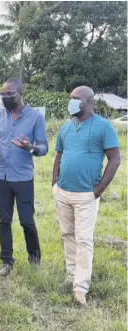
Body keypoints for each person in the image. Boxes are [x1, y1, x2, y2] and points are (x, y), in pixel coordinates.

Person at [52, 86, 121, 304]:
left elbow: (115, 159)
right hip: (63, 192)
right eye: (70, 98)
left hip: (86, 195)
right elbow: (58, 156)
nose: (72, 102)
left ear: (89, 102)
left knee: (83, 240)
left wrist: (98, 190)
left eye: (76, 99)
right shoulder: (66, 127)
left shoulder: (103, 127)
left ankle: (80, 288)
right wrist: (55, 183)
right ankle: (71, 275)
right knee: (68, 235)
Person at [0, 78, 48, 277]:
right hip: (1, 177)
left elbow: (44, 147)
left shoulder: (35, 117)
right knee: (4, 220)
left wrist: (31, 148)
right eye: (2, 94)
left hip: (23, 178)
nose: (5, 98)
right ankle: (7, 262)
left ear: (20, 94)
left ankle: (34, 259)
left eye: (9, 94)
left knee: (27, 221)